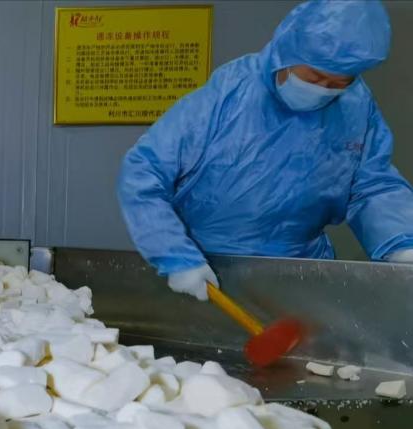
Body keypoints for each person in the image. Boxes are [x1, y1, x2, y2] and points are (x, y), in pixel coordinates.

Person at [116, 0, 413, 301]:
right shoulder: (231, 91)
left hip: (302, 272)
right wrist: (175, 255)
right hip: (208, 270)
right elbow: (144, 170)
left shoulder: (355, 105)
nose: (323, 89)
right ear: (289, 49)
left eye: (337, 83)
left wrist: (401, 243)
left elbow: (373, 185)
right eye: (313, 77)